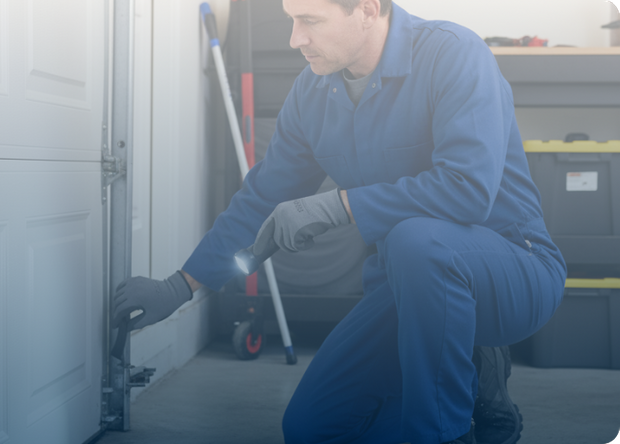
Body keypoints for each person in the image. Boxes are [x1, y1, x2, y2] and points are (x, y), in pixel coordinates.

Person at [111, 0, 567, 443]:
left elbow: (467, 190)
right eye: (291, 20)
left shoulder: (454, 54)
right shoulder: (313, 92)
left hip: (512, 270)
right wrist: (180, 285)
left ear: (367, 9)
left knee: (416, 240)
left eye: (310, 20)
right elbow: (261, 200)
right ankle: (470, 396)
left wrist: (337, 205)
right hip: (407, 283)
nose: (295, 38)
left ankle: (446, 433)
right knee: (314, 429)